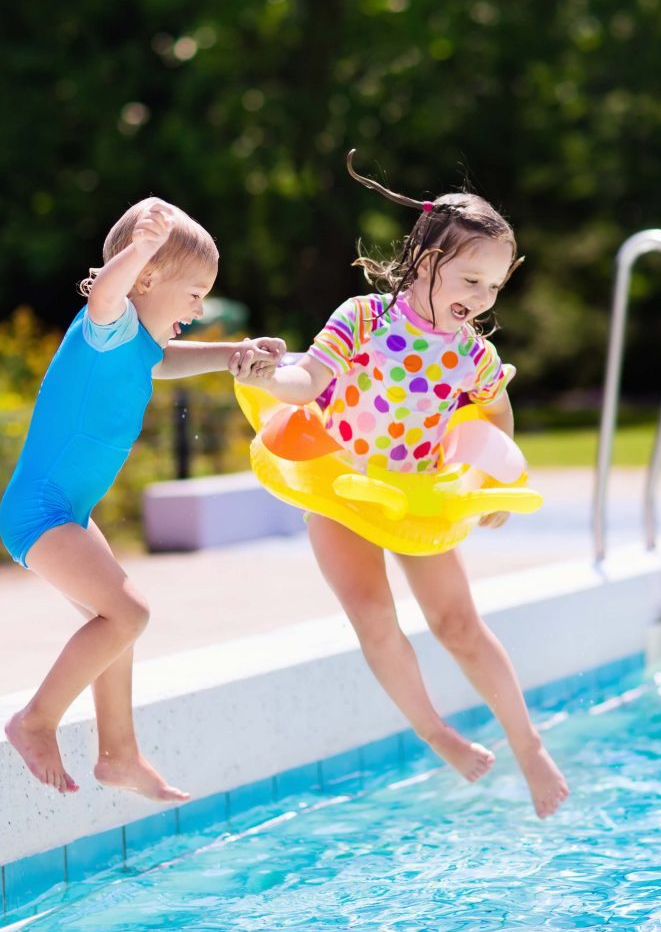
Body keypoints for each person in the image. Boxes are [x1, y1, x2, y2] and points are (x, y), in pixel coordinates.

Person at [232, 153, 569, 818]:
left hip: (415, 498)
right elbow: (309, 383)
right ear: (425, 265)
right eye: (470, 277)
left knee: (458, 623)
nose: (480, 296)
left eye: (495, 286)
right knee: (377, 623)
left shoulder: (474, 354)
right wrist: (270, 379)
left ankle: (527, 745)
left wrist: (496, 478)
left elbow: (494, 413)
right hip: (340, 487)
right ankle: (436, 733)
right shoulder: (361, 319)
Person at [0, 198, 282, 800]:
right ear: (146, 278)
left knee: (115, 624)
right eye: (194, 293)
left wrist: (234, 357)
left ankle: (119, 754)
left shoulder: (137, 347)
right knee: (129, 615)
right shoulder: (108, 327)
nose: (200, 309)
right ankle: (34, 722)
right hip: (41, 512)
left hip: (66, 513)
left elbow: (166, 360)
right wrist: (141, 248)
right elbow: (105, 295)